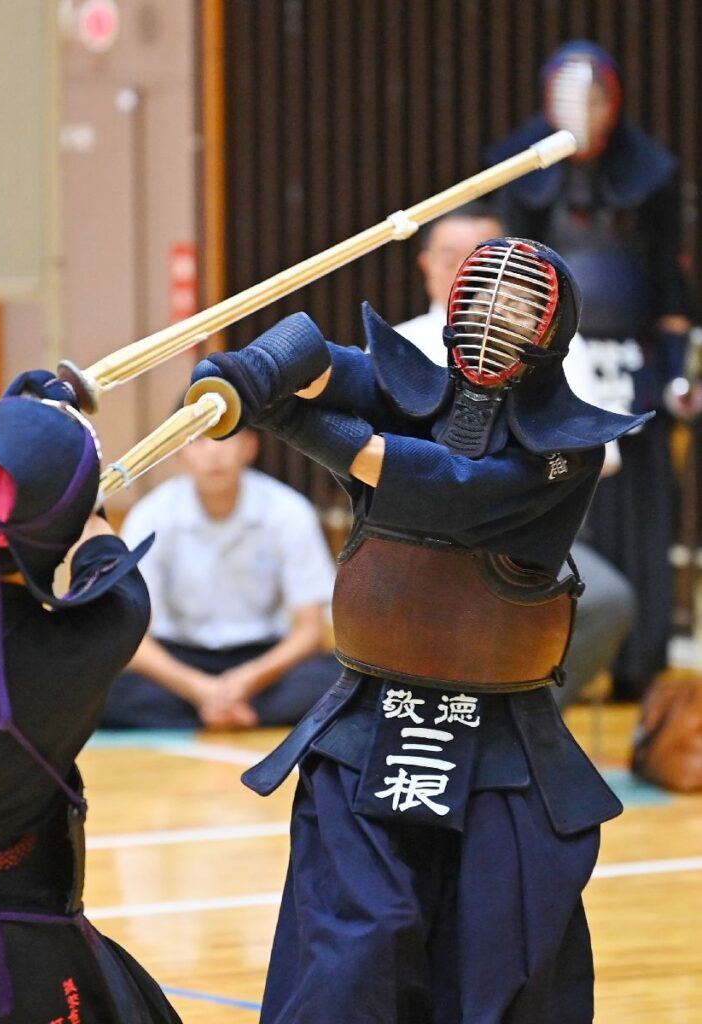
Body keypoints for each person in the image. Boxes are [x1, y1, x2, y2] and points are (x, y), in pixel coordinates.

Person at [188, 237, 650, 1022]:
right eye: (482, 300)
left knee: (496, 966)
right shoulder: (414, 393)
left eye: (516, 307)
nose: (492, 316)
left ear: (550, 332)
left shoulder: (568, 451)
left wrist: (288, 419)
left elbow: (451, 488)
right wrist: (249, 374)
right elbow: (317, 355)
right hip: (369, 721)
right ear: (454, 307)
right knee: (354, 951)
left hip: (502, 740)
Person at [488, 41, 698, 701]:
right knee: (560, 508)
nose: (582, 110)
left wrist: (675, 371)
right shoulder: (521, 178)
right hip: (553, 369)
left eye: (595, 97)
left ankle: (640, 667)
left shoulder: (652, 177)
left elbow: (671, 290)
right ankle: (547, 664)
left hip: (633, 369)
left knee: (640, 515)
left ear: (615, 102)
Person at [0, 376, 181, 1022]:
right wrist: (86, 500)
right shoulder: (79, 648)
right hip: (15, 946)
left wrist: (13, 420)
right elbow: (111, 577)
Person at [395, 203, 634, 710]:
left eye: (482, 258)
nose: (469, 272)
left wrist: (518, 467)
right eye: (451, 257)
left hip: (530, 527)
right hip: (427, 534)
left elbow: (600, 453)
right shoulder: (402, 343)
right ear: (426, 264)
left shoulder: (557, 348)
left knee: (608, 599)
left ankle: (524, 714)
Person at [101, 425, 339, 730]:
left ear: (250, 446)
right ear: (178, 449)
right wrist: (200, 690)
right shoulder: (151, 515)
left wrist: (244, 682)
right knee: (98, 685)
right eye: (198, 440)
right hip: (180, 662)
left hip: (263, 662)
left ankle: (209, 713)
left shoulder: (288, 510)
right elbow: (132, 637)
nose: (213, 451)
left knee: (336, 681)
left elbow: (310, 632)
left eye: (225, 437)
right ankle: (233, 712)